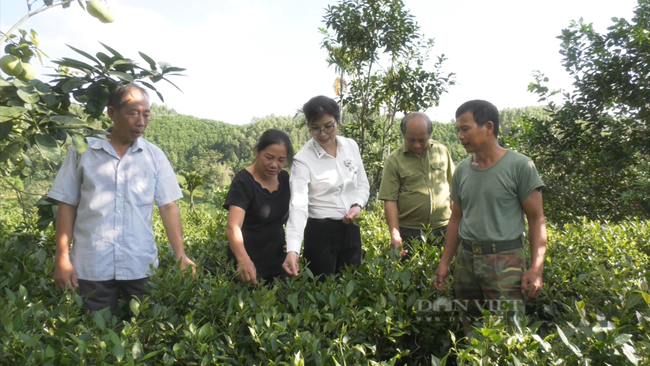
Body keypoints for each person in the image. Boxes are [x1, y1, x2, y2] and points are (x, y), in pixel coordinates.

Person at [49, 83, 196, 316]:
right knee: (97, 337)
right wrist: (62, 258)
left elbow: (169, 207)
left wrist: (181, 255)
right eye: (133, 113)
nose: (141, 122)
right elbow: (67, 204)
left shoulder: (154, 157)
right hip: (92, 264)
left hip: (140, 264)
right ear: (112, 113)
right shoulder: (83, 151)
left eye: (146, 114)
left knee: (147, 333)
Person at [434, 100, 547, 328]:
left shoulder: (520, 166)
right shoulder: (462, 170)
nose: (460, 136)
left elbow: (537, 219)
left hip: (505, 260)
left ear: (488, 127)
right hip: (466, 262)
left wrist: (536, 268)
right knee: (470, 328)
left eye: (465, 129)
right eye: (458, 130)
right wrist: (445, 262)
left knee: (508, 331)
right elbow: (456, 219)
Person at [283, 95, 370, 278]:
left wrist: (357, 205)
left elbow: (362, 184)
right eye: (315, 128)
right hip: (320, 234)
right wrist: (293, 250)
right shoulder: (303, 160)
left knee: (352, 286)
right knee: (321, 293)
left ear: (338, 121)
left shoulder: (350, 146)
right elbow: (298, 207)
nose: (322, 134)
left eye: (329, 126)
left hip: (351, 229)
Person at [377, 112, 455, 258]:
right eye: (411, 140)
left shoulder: (441, 151)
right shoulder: (394, 160)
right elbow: (390, 201)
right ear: (403, 135)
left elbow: (454, 188)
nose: (417, 145)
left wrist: (458, 223)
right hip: (410, 232)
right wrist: (395, 234)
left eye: (422, 140)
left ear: (430, 134)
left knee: (445, 273)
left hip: (444, 228)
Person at [224, 129, 294, 284]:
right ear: (257, 152)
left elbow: (295, 213)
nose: (274, 165)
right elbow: (233, 226)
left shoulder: (285, 179)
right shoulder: (243, 182)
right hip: (248, 264)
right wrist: (243, 260)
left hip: (278, 263)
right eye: (269, 158)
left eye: (281, 160)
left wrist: (293, 242)